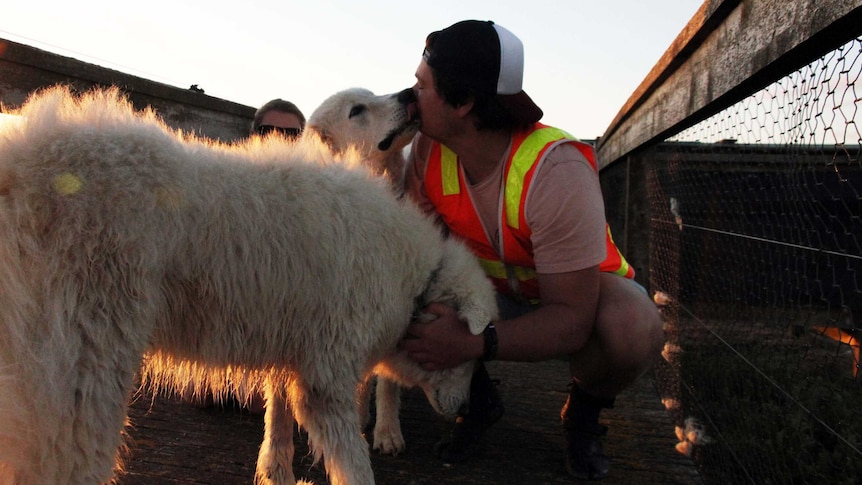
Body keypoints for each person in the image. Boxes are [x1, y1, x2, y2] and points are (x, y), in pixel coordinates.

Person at [399, 20, 665, 480]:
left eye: (421, 86)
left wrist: (468, 344)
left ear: (463, 103)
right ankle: (476, 401)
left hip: (572, 300)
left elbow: (571, 320)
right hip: (490, 293)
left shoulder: (554, 168)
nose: (408, 96)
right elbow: (415, 258)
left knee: (632, 328)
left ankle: (582, 415)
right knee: (403, 287)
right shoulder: (426, 149)